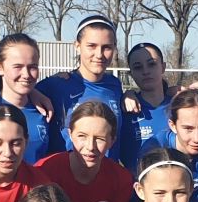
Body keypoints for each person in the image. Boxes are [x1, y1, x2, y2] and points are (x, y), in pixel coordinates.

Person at [35, 100, 132, 202]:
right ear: (70, 134)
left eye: (100, 139)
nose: (90, 146)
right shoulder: (45, 171)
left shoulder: (120, 179)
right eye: (82, 136)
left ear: (112, 140)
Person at [40, 16, 131, 150]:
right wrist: (34, 93)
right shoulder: (56, 84)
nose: (99, 54)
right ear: (77, 46)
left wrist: (130, 94)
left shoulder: (115, 85)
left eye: (106, 47)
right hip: (65, 163)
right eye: (91, 46)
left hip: (107, 164)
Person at [0, 33, 61, 163]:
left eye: (32, 67)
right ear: (0, 68)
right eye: (18, 67)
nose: (26, 74)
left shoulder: (45, 110)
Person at [122, 41, 173, 167]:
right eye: (138, 67)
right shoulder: (124, 110)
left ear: (163, 67)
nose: (145, 71)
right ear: (131, 73)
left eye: (152, 64)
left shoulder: (180, 106)